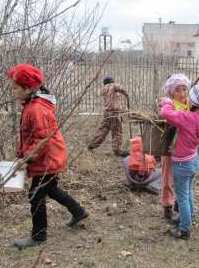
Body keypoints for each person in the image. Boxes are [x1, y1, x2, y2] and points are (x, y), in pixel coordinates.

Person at [8, 64, 88, 249]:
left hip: (47, 159)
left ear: (28, 88)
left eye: (15, 87)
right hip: (46, 158)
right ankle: (78, 211)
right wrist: (21, 155)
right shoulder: (30, 104)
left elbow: (42, 140)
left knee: (36, 195)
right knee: (50, 189)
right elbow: (31, 137)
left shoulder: (37, 108)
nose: (12, 91)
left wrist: (25, 159)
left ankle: (39, 235)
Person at [160, 85, 199, 239]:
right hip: (194, 160)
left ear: (193, 102)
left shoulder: (187, 118)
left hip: (182, 164)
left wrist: (167, 102)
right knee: (189, 191)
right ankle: (190, 217)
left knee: (182, 196)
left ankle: (184, 229)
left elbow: (165, 113)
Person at [160, 74, 192, 222]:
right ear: (171, 92)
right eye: (178, 90)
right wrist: (166, 105)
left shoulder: (190, 105)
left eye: (184, 89)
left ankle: (180, 206)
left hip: (186, 150)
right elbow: (163, 116)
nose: (182, 93)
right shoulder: (169, 104)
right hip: (169, 148)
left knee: (184, 179)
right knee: (168, 178)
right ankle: (167, 207)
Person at [87, 77, 129, 157]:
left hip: (107, 113)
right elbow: (120, 87)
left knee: (103, 130)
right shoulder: (113, 86)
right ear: (111, 82)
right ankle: (117, 150)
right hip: (115, 114)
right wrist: (127, 95)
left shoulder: (104, 89)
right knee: (117, 131)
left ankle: (92, 144)